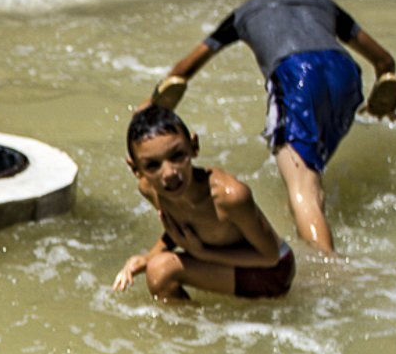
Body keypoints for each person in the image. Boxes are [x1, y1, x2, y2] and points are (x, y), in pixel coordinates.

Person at [148, 0, 396, 255]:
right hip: (345, 74)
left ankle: (329, 272)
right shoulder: (324, 6)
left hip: (295, 76)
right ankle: (311, 228)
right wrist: (383, 94)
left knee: (303, 188)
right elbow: (384, 61)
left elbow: (183, 71)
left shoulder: (246, 13)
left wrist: (154, 104)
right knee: (311, 173)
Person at [112, 104, 293, 302]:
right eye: (152, 165)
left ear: (194, 146)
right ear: (135, 168)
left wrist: (202, 253)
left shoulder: (229, 197)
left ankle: (194, 330)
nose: (170, 173)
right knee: (155, 265)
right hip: (223, 258)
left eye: (177, 155)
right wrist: (146, 258)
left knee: (160, 271)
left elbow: (270, 256)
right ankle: (193, 327)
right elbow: (183, 227)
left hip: (273, 271)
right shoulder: (151, 190)